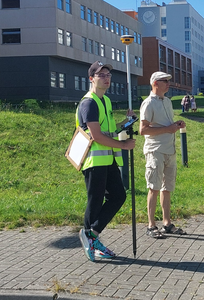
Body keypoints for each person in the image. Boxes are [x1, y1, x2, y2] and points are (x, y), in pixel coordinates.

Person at [77, 61, 136, 262]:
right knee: (95, 202)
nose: (106, 77)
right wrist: (124, 146)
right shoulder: (89, 103)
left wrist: (128, 122)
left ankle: (91, 235)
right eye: (101, 74)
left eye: (108, 74)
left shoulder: (106, 101)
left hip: (107, 159)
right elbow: (97, 136)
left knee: (118, 196)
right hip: (94, 160)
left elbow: (110, 130)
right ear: (91, 78)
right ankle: (89, 236)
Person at [140, 71, 187, 239]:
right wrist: (168, 129)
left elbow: (166, 124)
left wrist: (176, 125)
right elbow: (143, 130)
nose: (169, 83)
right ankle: (151, 225)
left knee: (167, 188)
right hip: (155, 150)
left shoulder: (167, 101)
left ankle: (167, 223)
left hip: (170, 150)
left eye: (169, 80)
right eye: (165, 81)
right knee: (154, 187)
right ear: (155, 83)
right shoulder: (148, 103)